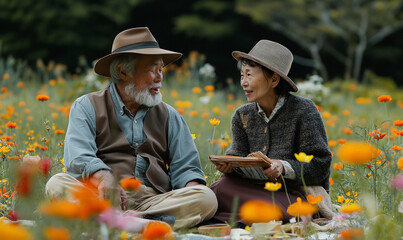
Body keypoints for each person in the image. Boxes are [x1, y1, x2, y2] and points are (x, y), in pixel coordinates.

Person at [45, 27, 217, 229]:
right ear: (123, 71)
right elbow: (78, 157)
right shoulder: (86, 106)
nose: (159, 77)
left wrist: (192, 194)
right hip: (102, 196)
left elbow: (186, 169)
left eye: (161, 69)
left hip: (155, 202)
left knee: (207, 198)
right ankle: (147, 225)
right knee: (56, 184)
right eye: (152, 68)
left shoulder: (170, 115)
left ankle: (120, 222)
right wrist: (105, 177)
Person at [209, 40, 333, 226]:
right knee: (220, 188)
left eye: (249, 75)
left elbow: (320, 165)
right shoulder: (242, 115)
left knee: (273, 208)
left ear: (274, 80)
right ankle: (248, 219)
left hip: (293, 193)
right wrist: (229, 164)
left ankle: (242, 218)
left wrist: (283, 167)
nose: (243, 82)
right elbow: (237, 154)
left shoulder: (304, 110)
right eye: (242, 75)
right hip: (251, 189)